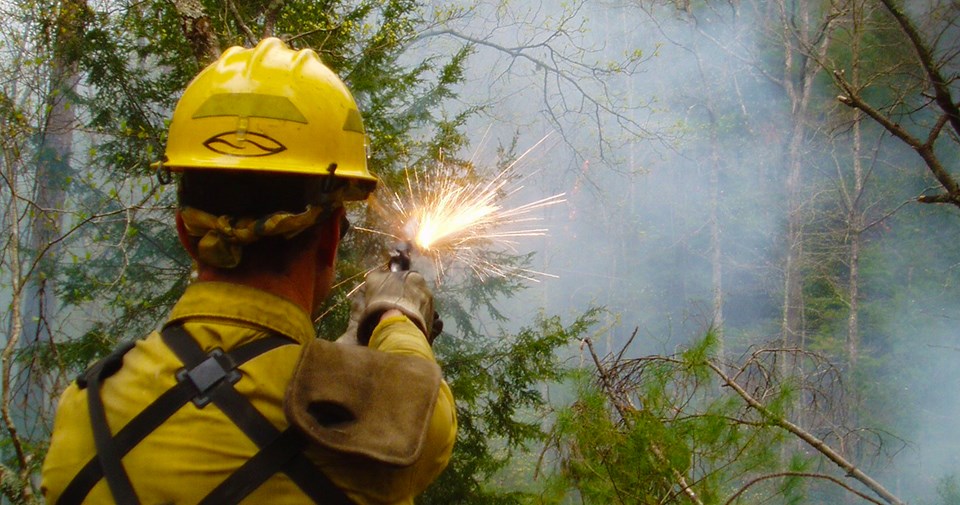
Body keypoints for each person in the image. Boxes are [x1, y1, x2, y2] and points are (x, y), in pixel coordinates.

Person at [40, 38, 457, 505]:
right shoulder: (383, 427)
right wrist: (395, 315)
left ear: (185, 231)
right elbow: (422, 405)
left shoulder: (84, 410)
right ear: (331, 237)